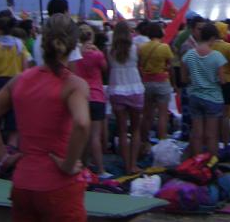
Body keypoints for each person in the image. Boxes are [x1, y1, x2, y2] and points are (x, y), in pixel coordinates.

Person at [0, 13, 90, 222]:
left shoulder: (21, 80)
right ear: (74, 45)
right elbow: (82, 124)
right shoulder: (73, 84)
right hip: (59, 186)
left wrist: (3, 158)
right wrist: (68, 163)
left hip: (23, 183)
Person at [0, 13, 30, 147]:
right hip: (17, 83)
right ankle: (12, 148)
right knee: (13, 124)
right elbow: (25, 67)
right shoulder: (19, 45)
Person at [181, 22, 226, 157]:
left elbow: (183, 78)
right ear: (212, 38)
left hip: (195, 96)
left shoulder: (189, 54)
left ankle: (197, 164)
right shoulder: (217, 56)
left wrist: (196, 79)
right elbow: (222, 80)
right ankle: (211, 165)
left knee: (197, 134)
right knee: (211, 135)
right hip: (213, 98)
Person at [73, 24, 110, 178]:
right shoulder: (97, 54)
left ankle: (82, 165)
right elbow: (105, 69)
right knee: (95, 136)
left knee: (82, 135)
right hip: (96, 96)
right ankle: (101, 170)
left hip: (81, 96)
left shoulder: (75, 54)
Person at [108, 21, 144, 174]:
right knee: (135, 129)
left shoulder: (109, 51)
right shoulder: (136, 48)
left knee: (122, 131)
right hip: (135, 88)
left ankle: (126, 165)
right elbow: (140, 66)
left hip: (117, 89)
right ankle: (134, 164)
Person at [138, 22, 174, 149]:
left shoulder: (142, 48)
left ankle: (144, 141)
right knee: (163, 114)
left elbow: (140, 65)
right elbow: (169, 65)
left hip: (147, 82)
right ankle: (162, 142)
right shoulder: (165, 47)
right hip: (162, 82)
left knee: (147, 114)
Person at [213, 22, 230, 145]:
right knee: (225, 114)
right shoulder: (229, 47)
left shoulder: (209, 46)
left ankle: (215, 138)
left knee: (215, 112)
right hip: (229, 81)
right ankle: (225, 141)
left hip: (213, 81)